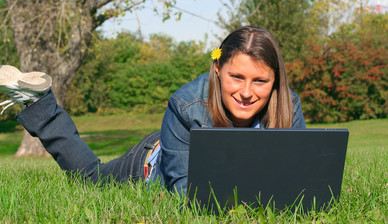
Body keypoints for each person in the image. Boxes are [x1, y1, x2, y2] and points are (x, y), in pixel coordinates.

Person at [0, 26, 305, 196]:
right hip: (153, 162)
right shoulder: (186, 104)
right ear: (217, 70)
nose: (247, 92)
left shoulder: (287, 107)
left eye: (261, 81)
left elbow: (301, 180)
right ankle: (40, 103)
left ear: (275, 80)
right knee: (91, 179)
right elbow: (185, 193)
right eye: (236, 77)